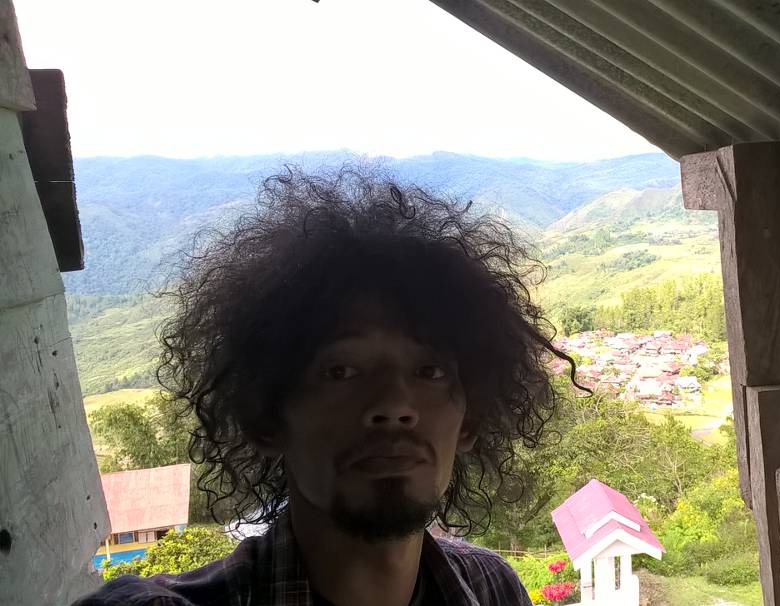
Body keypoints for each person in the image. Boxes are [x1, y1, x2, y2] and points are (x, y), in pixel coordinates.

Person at [75, 166, 578, 605]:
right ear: (265, 417)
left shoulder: (493, 588)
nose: (394, 405)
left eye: (430, 371)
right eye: (341, 371)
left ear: (470, 420)